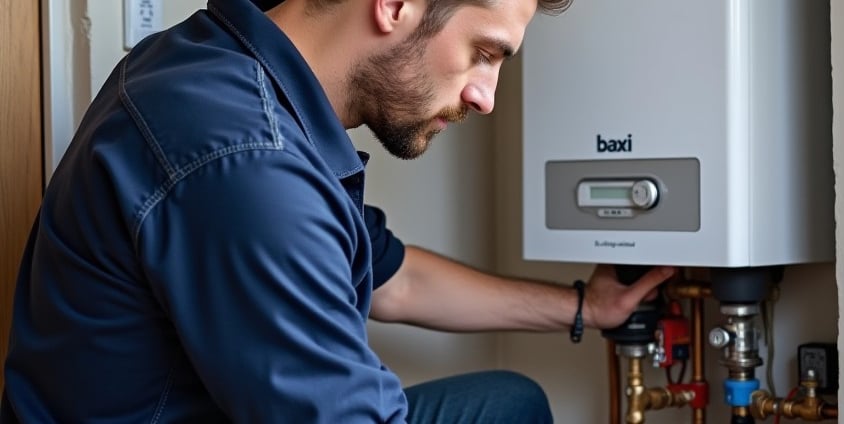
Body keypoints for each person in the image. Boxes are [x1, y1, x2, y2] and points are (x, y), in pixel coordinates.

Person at [0, 0, 675, 422]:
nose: (485, 96)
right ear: (396, 4)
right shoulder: (247, 162)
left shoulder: (222, 61)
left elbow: (394, 278)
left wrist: (587, 307)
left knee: (509, 402)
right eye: (484, 52)